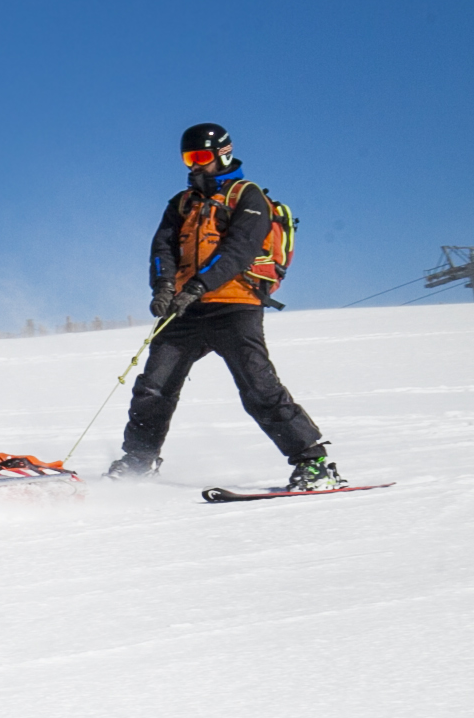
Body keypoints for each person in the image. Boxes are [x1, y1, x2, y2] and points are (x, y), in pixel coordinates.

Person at [111, 123, 337, 487]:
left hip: (235, 305)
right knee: (153, 388)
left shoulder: (247, 197)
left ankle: (314, 463)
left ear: (223, 155)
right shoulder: (181, 203)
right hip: (186, 310)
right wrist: (165, 288)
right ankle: (139, 459)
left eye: (201, 157)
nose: (195, 166)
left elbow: (238, 250)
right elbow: (162, 249)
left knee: (258, 387)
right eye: (189, 158)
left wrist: (198, 285)